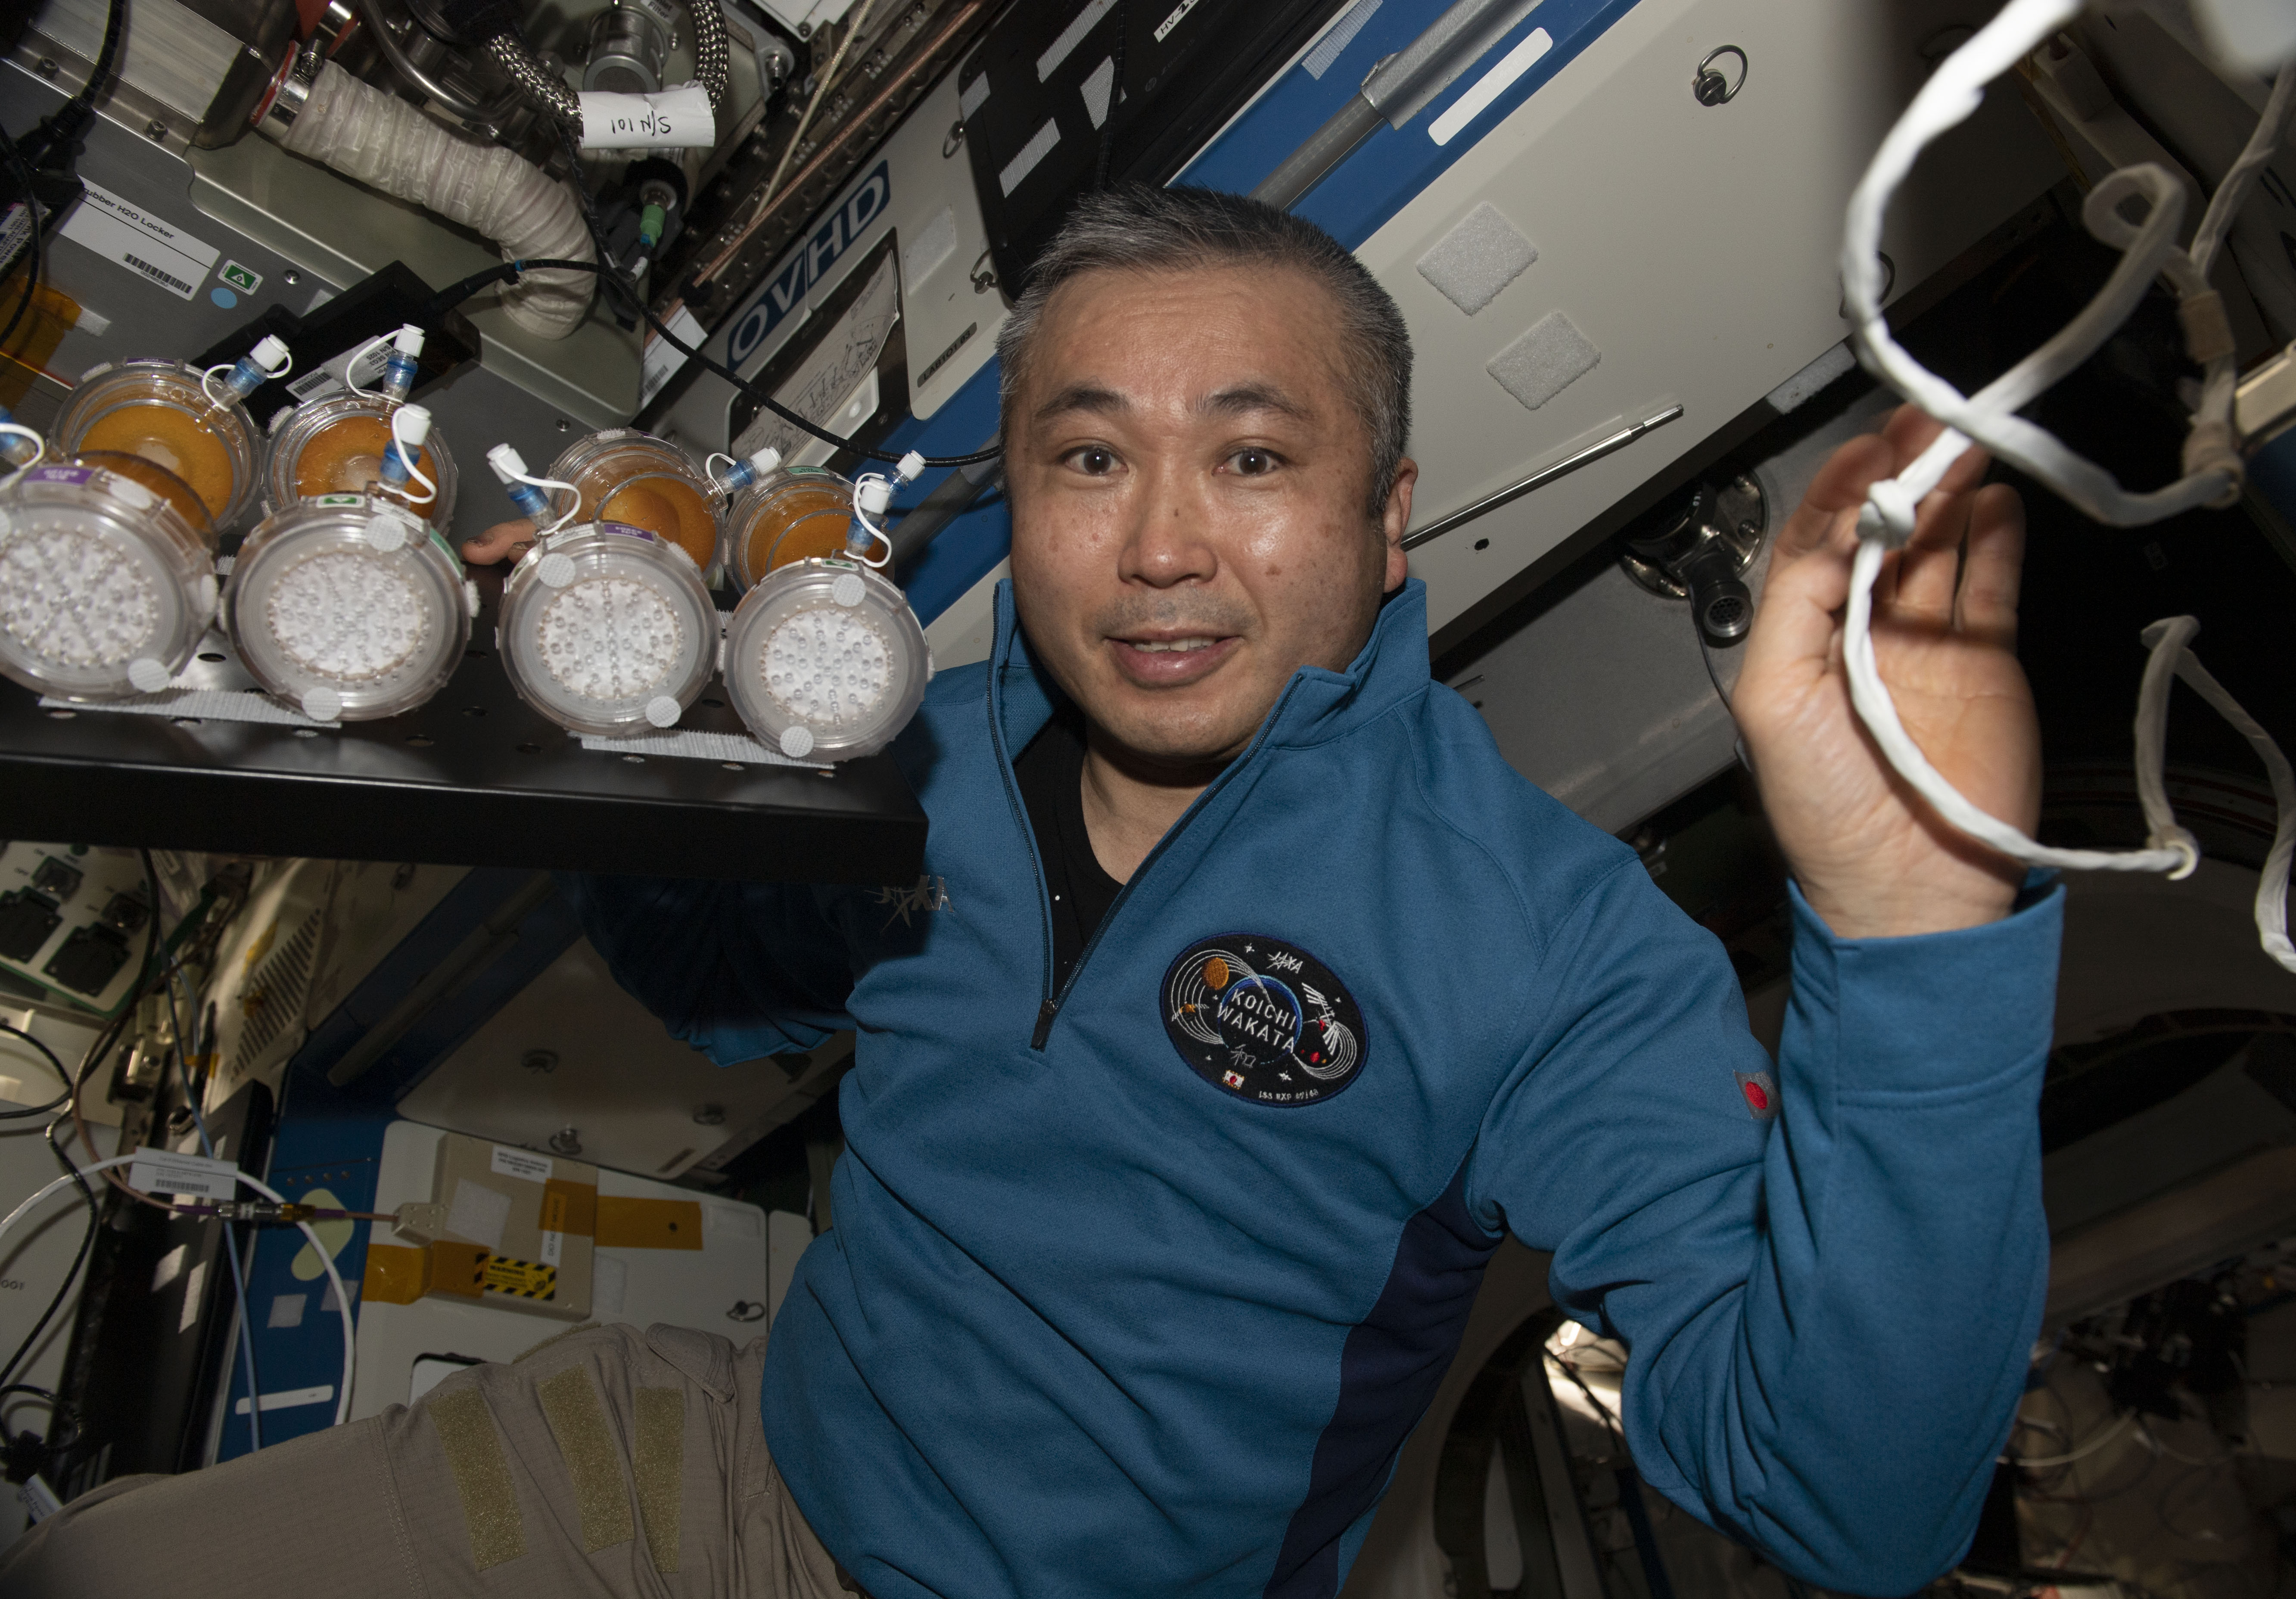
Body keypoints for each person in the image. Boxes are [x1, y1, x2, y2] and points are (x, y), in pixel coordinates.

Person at [2, 185, 2058, 1599]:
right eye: (1089, 459)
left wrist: (1923, 931)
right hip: (734, 1460)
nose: (1159, 545)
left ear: (1388, 515)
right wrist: (598, 757)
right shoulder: (933, 743)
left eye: (1252, 459)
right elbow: (724, 990)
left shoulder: (1550, 945)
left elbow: (1850, 1508)